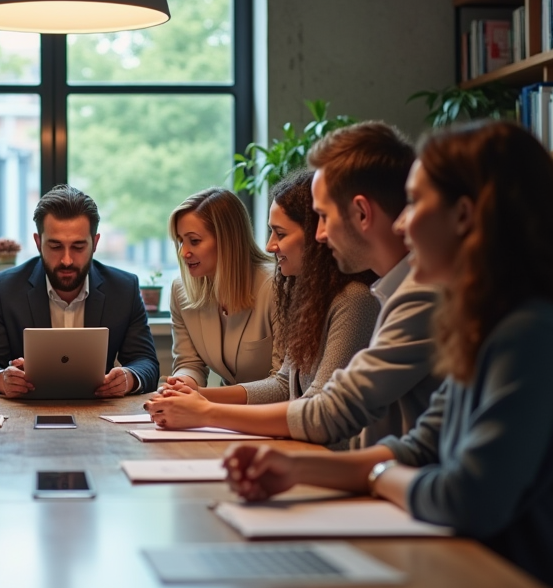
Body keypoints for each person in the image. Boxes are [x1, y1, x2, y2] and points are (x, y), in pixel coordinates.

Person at [224, 120, 553, 588]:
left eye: (414, 203)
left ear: (462, 215)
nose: (403, 224)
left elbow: (463, 498)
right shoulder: (486, 323)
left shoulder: (534, 334)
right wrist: (297, 470)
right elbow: (420, 448)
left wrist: (375, 475)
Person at [157, 122, 438, 446]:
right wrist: (200, 400)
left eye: (324, 216)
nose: (320, 234)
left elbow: (328, 413)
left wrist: (206, 411)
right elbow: (286, 386)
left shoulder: (379, 298)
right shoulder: (346, 294)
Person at [146, 171, 379, 429]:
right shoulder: (311, 296)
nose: (269, 246)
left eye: (280, 233)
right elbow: (285, 385)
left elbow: (317, 411)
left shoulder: (352, 299)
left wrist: (207, 410)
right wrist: (193, 396)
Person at [0, 185, 159, 397]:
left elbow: (146, 362)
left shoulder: (123, 288)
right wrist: (2, 380)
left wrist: (128, 378)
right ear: (38, 242)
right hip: (27, 412)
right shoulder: (7, 288)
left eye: (78, 247)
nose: (67, 260)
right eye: (55, 246)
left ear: (94, 244)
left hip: (100, 410)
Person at [165, 188, 281, 391]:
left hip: (272, 414)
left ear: (228, 240)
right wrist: (181, 385)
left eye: (194, 241)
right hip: (222, 412)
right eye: (180, 241)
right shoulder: (180, 290)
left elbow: (284, 382)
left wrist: (205, 398)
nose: (184, 252)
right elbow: (189, 364)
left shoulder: (276, 286)